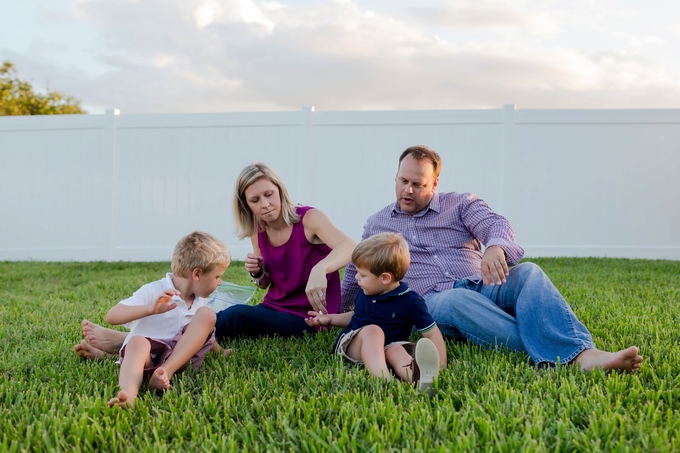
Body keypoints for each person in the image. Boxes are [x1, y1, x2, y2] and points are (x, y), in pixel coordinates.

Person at [340, 145, 644, 373]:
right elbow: (357, 267)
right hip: (434, 300)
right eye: (403, 180)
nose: (408, 190)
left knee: (529, 273)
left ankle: (571, 351)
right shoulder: (377, 224)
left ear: (434, 184)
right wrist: (338, 309)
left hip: (482, 283)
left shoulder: (460, 203)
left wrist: (495, 247)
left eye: (418, 184)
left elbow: (496, 224)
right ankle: (579, 357)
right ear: (395, 176)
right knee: (455, 299)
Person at [74, 162, 355, 358]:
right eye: (255, 200)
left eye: (269, 194)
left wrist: (323, 267)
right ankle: (145, 342)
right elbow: (266, 284)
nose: (265, 204)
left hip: (310, 318)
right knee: (224, 319)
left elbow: (350, 247)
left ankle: (131, 341)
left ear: (280, 190)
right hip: (273, 308)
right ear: (247, 205)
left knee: (234, 317)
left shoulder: (309, 219)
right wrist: (259, 274)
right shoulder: (259, 229)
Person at [306, 232, 447, 394]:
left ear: (385, 278)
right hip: (353, 346)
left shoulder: (412, 301)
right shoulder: (364, 291)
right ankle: (384, 382)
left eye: (363, 274)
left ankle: (420, 377)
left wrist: (441, 367)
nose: (357, 277)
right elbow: (355, 316)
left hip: (388, 347)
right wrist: (330, 319)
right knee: (373, 331)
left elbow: (432, 334)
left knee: (396, 351)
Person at [103, 230, 231, 408]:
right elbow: (112, 315)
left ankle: (164, 373)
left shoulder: (200, 297)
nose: (220, 282)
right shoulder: (155, 290)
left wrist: (219, 351)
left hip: (180, 363)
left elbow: (204, 331)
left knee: (207, 315)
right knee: (137, 342)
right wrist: (151, 309)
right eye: (217, 276)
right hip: (147, 363)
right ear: (197, 274)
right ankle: (128, 396)